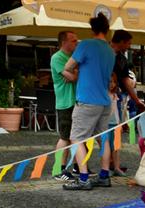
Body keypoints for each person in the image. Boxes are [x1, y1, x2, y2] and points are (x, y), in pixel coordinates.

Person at [61, 13, 115, 190]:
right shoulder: (109, 50)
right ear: (106, 29)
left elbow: (68, 67)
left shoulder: (85, 45)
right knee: (103, 138)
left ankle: (83, 178)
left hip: (86, 100)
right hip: (105, 100)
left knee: (76, 138)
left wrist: (75, 76)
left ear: (92, 28)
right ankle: (104, 175)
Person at [50, 30, 78, 180]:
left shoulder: (73, 58)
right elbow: (72, 77)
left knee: (78, 136)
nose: (77, 43)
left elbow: (74, 76)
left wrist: (74, 72)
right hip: (65, 102)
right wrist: (75, 73)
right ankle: (58, 169)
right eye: (73, 40)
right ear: (64, 42)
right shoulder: (57, 58)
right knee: (65, 136)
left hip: (76, 101)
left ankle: (78, 166)